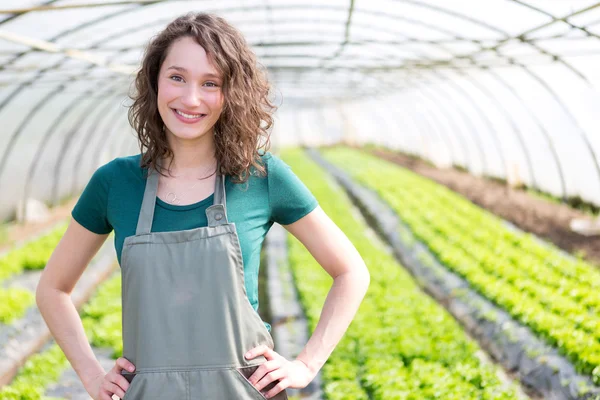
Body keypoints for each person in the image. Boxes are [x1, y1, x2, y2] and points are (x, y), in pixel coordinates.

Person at [36, 12, 370, 400]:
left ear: (232, 94)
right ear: (155, 81)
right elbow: (51, 289)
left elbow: (351, 272)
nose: (191, 99)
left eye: (210, 83)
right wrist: (92, 375)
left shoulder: (261, 177)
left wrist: (305, 365)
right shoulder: (115, 183)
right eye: (177, 77)